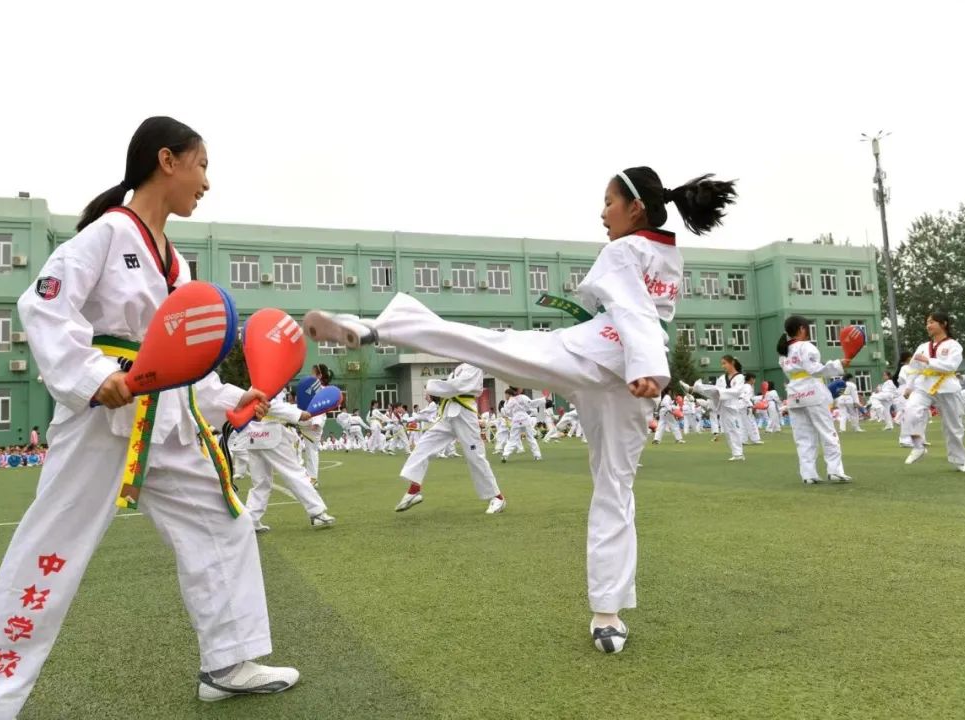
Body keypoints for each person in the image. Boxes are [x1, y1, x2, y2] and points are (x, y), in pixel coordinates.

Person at [304, 167, 735, 654]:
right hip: (628, 369)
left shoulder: (624, 250)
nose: (602, 212)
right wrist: (648, 369)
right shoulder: (666, 252)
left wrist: (650, 368)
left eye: (609, 202)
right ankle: (606, 615)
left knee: (497, 346)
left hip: (610, 358)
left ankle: (382, 328)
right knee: (615, 486)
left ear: (635, 208)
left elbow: (633, 308)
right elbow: (637, 312)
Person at [0, 117, 298, 720]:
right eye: (203, 165)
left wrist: (227, 399)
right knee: (51, 551)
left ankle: (227, 663)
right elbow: (43, 305)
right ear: (168, 160)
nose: (207, 183)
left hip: (168, 418)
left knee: (224, 524)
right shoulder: (108, 233)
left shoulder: (177, 264)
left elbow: (183, 353)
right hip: (104, 415)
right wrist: (90, 376)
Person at [392, 364, 506, 514]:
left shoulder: (474, 364)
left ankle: (498, 497)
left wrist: (432, 385)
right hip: (447, 414)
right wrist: (435, 388)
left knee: (475, 456)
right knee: (424, 445)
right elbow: (450, 388)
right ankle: (414, 490)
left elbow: (458, 386)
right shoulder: (460, 366)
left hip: (464, 413)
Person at [239, 390, 336, 531]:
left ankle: (251, 520)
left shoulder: (256, 383)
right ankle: (317, 513)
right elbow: (271, 404)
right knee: (294, 472)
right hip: (271, 431)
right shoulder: (268, 380)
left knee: (261, 481)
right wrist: (299, 414)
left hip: (253, 433)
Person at [777, 315, 852, 484]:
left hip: (794, 395)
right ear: (802, 328)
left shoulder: (783, 352)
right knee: (827, 432)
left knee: (803, 437)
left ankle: (808, 474)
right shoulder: (805, 347)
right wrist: (839, 365)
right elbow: (815, 370)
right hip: (812, 392)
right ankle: (835, 471)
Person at [901, 311, 965, 471]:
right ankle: (919, 445)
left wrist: (929, 361)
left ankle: (959, 460)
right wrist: (909, 387)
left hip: (947, 387)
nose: (928, 325)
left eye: (932, 322)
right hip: (924, 385)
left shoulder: (953, 345)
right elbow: (914, 368)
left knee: (953, 426)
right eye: (927, 322)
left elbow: (951, 366)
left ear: (943, 324)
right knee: (910, 410)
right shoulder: (923, 347)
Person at [501, 387, 543, 462]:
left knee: (512, 439)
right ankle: (537, 455)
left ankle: (505, 455)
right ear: (518, 390)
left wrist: (513, 414)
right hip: (525, 419)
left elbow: (507, 412)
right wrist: (542, 400)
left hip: (516, 420)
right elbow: (532, 404)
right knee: (530, 438)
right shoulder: (523, 397)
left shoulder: (510, 400)